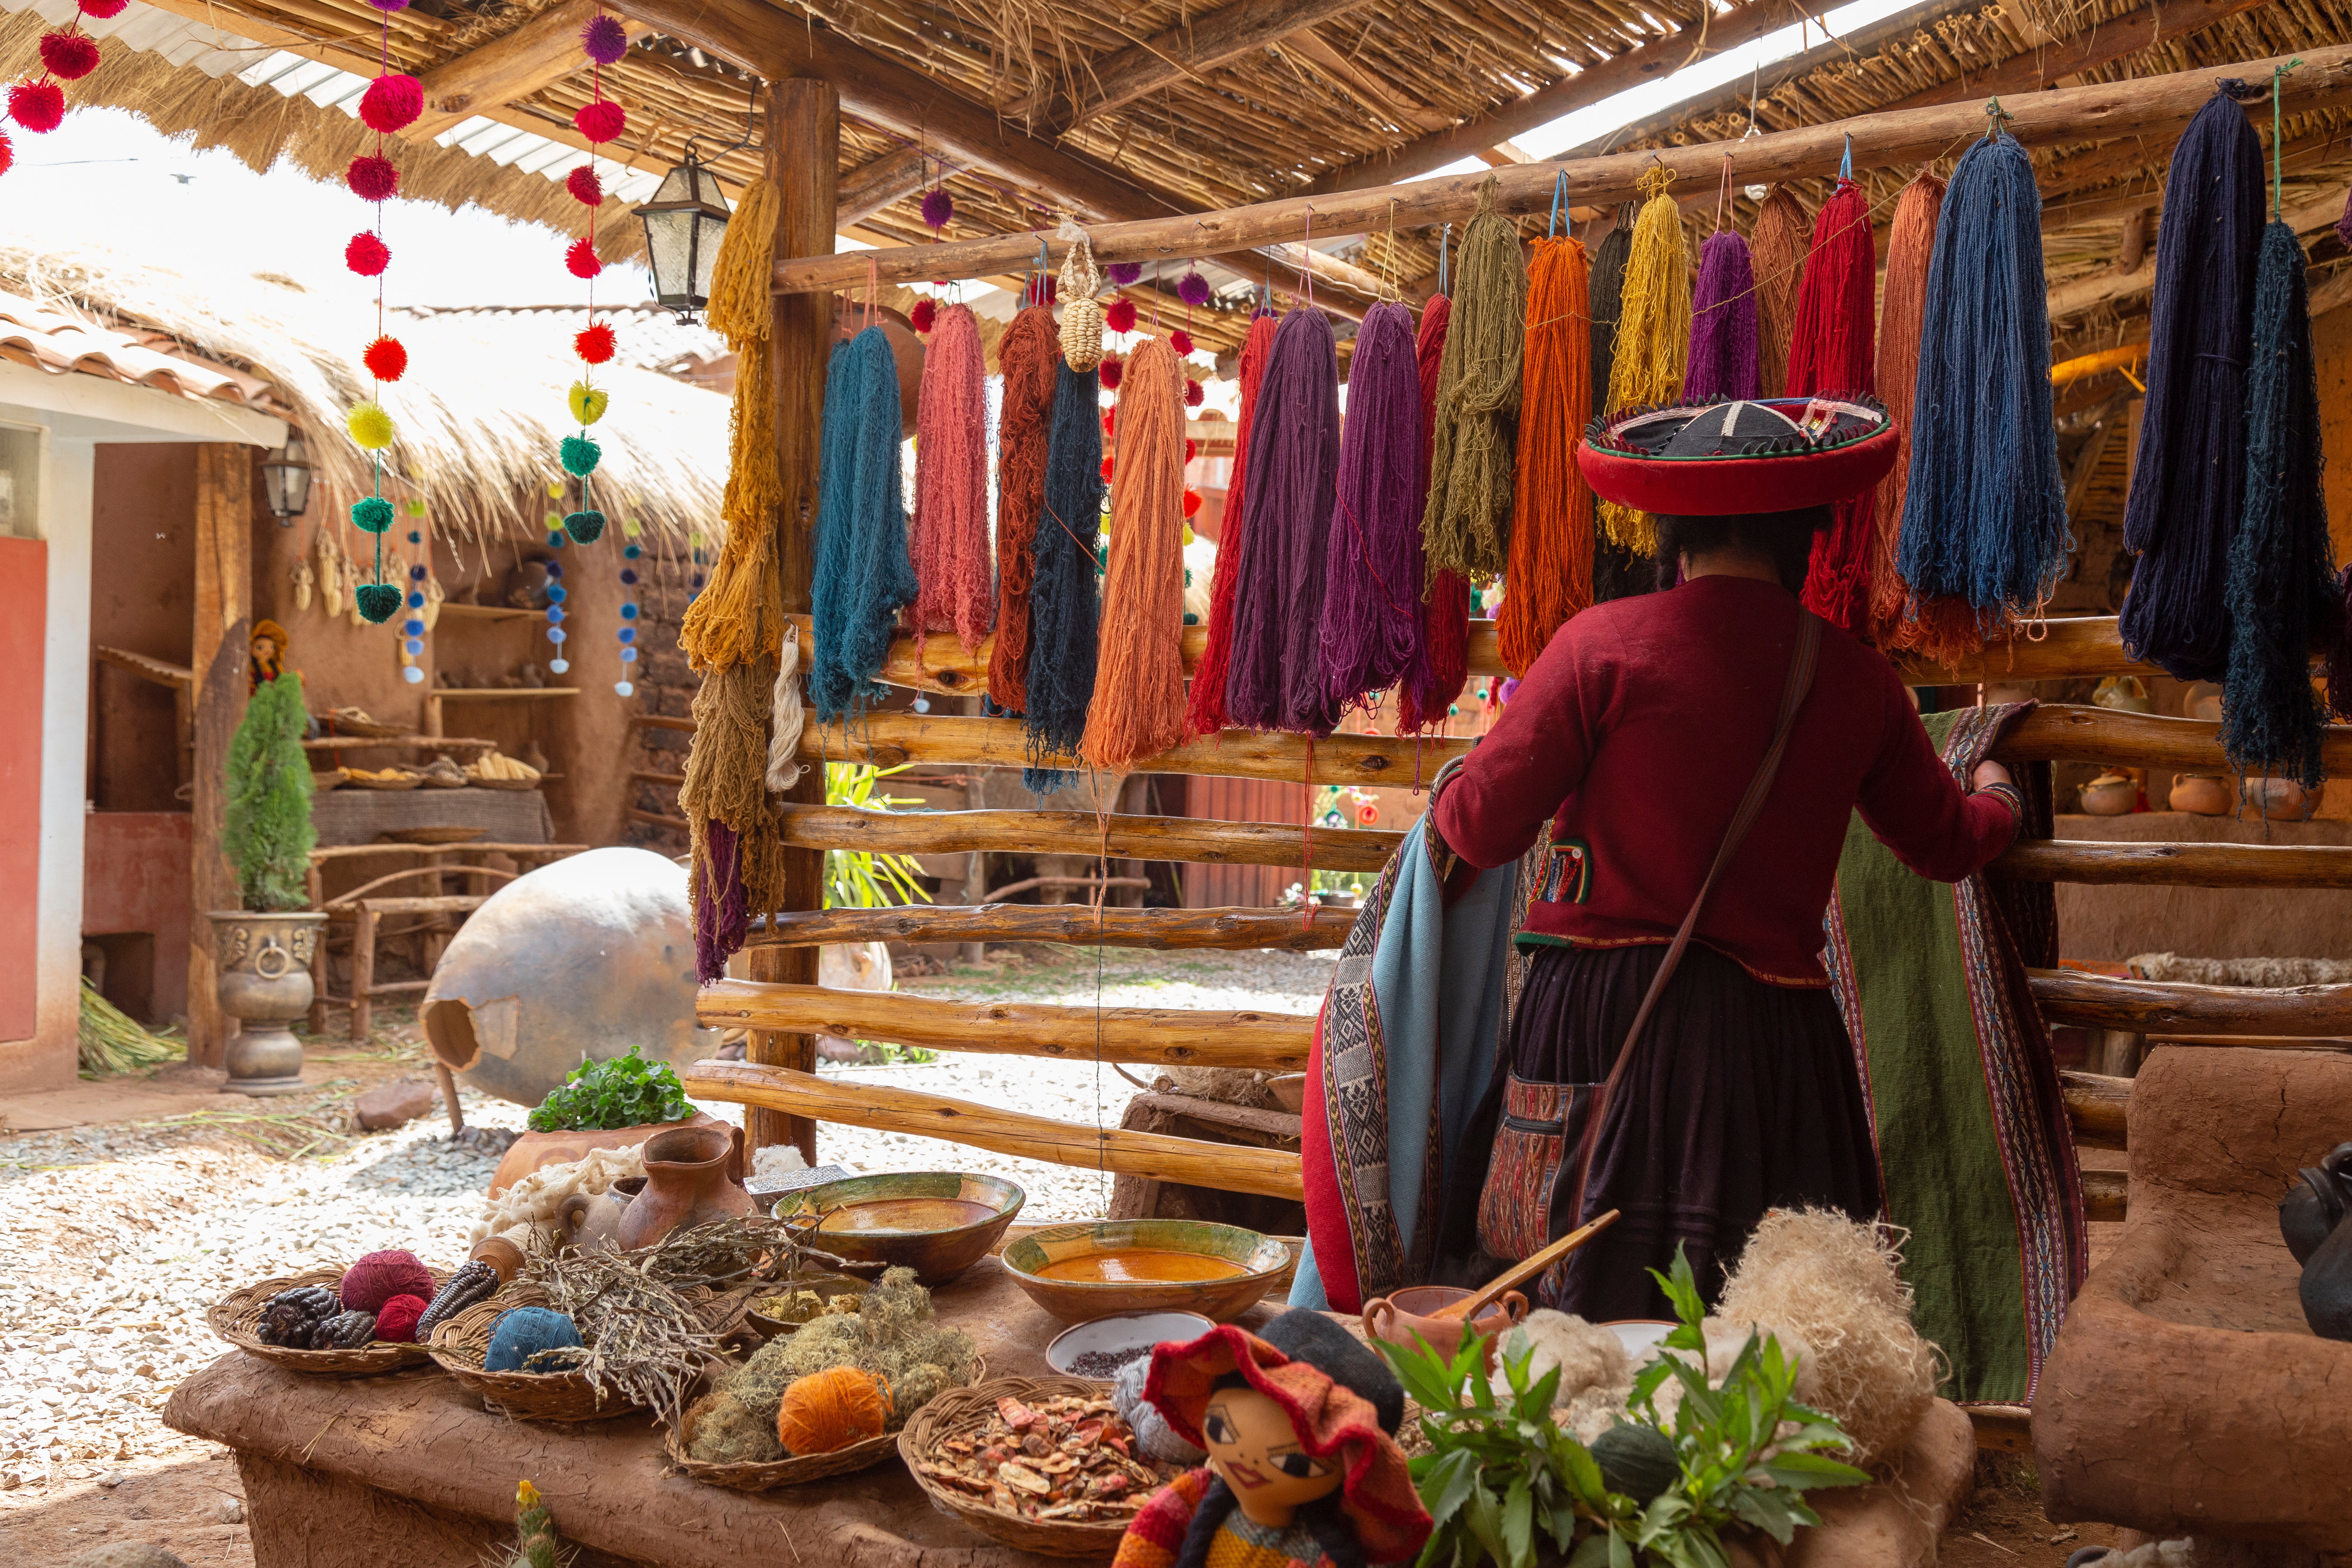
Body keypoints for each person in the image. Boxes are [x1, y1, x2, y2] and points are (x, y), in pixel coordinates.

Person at [1431, 395, 2024, 1319]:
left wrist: (1460, 777)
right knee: (1768, 1318)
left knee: (1572, 1298)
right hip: (1773, 1044)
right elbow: (1949, 845)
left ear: (1671, 534)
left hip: (1599, 1018)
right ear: (1808, 539)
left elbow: (1476, 827)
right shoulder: (1860, 683)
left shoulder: (1599, 648)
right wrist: (2001, 794)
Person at [1112, 1308, 1430, 1568]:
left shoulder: (1321, 1552)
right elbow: (1148, 1542)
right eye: (1221, 1429)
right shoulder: (1196, 1493)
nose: (1248, 1462)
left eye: (1293, 1462)